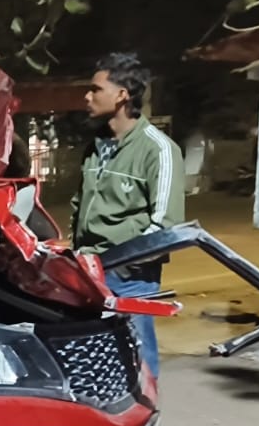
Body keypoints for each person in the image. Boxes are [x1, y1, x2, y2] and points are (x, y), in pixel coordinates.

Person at [72, 52, 185, 378]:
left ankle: (144, 410)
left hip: (131, 278)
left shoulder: (159, 149)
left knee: (137, 363)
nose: (87, 96)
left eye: (96, 89)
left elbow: (165, 227)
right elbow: (80, 206)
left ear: (122, 95)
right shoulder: (94, 148)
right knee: (94, 362)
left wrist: (118, 263)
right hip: (89, 273)